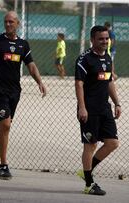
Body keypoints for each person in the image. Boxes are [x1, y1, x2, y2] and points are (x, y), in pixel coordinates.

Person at [0, 11, 47, 179]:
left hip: (15, 91)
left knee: (3, 127)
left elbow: (32, 66)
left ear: (18, 24)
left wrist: (40, 82)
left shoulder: (23, 45)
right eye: (6, 22)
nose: (8, 24)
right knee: (6, 125)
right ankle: (4, 165)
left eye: (11, 22)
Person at [75, 25, 120, 196]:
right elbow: (79, 84)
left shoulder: (108, 58)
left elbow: (109, 81)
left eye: (106, 38)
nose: (104, 41)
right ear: (92, 40)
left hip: (104, 108)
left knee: (113, 143)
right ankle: (89, 183)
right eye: (101, 39)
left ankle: (87, 170)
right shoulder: (84, 59)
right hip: (89, 109)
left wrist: (117, 103)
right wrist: (82, 107)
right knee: (91, 144)